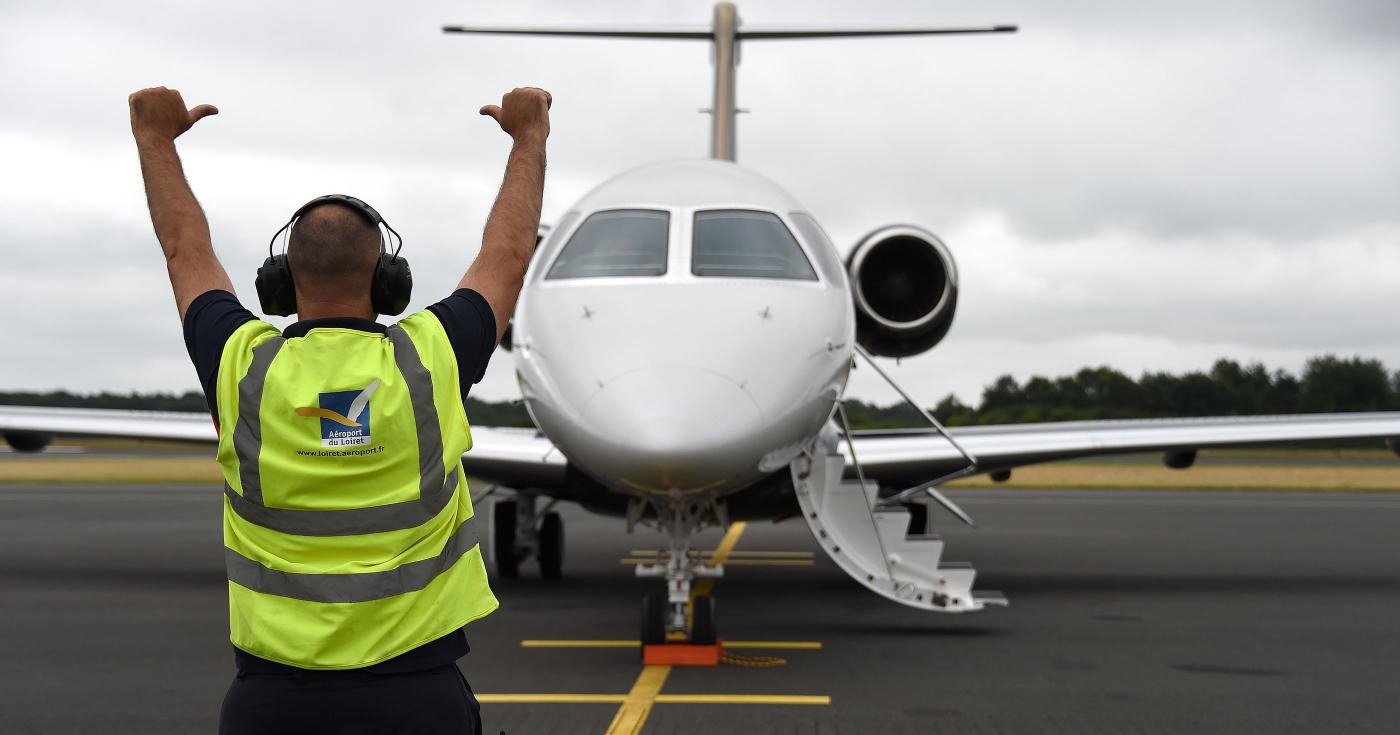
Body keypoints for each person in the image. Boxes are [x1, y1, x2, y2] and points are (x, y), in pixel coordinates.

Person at [128, 83, 551, 734]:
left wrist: (153, 139)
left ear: (279, 283)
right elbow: (508, 256)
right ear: (388, 282)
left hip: (272, 704)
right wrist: (530, 137)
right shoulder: (430, 357)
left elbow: (185, 250)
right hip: (418, 700)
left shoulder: (243, 366)